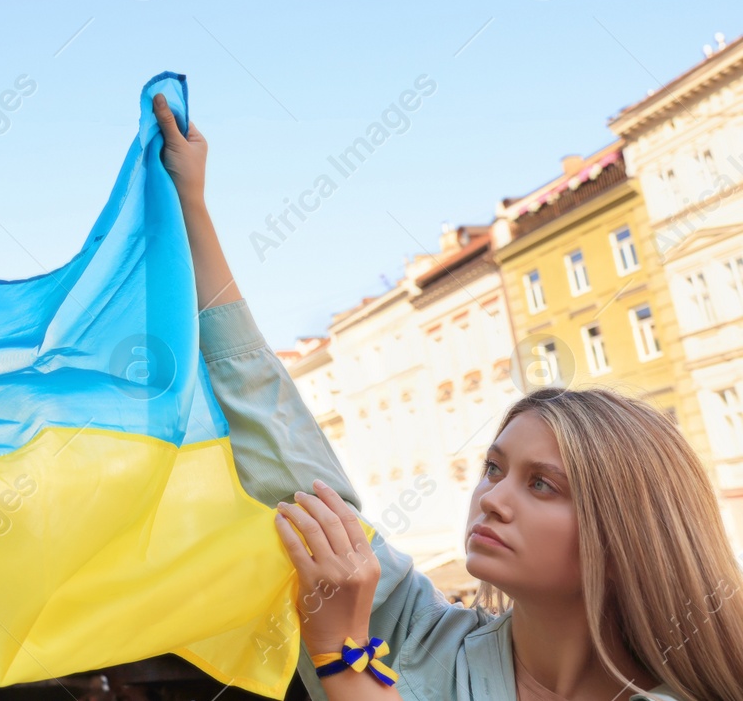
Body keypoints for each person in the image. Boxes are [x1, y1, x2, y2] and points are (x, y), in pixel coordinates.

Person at [150, 94, 743, 701]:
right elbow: (285, 453)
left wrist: (341, 659)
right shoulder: (417, 639)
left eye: (542, 483)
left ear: (625, 537)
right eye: (494, 468)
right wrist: (193, 205)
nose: (492, 499)